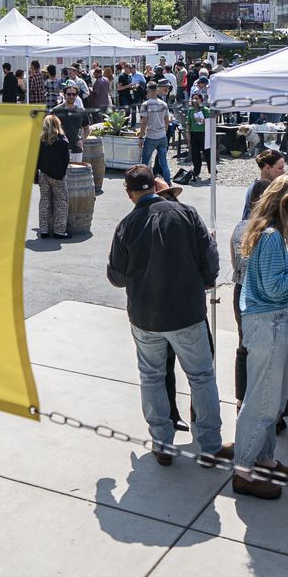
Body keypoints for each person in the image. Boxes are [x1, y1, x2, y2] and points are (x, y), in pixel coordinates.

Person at [106, 166, 223, 464]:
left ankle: (162, 443)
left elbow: (117, 277)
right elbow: (210, 257)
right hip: (187, 312)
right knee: (201, 377)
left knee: (152, 377)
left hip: (146, 316)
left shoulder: (127, 225)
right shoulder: (187, 213)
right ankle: (209, 445)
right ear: (155, 187)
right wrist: (205, 280)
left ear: (129, 193)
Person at [232, 176, 288, 498]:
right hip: (268, 324)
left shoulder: (270, 233)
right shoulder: (270, 236)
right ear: (286, 204)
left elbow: (280, 279)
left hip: (273, 322)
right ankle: (243, 471)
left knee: (274, 397)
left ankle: (263, 458)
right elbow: (274, 286)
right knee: (262, 401)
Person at [34, 113, 71, 239]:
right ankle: (59, 231)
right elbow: (66, 160)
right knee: (61, 202)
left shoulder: (40, 140)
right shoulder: (63, 141)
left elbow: (36, 159)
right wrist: (61, 173)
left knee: (44, 201)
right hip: (58, 176)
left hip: (44, 174)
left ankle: (44, 230)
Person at [136, 82, 172, 183]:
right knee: (163, 162)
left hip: (151, 136)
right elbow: (167, 121)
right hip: (162, 136)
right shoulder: (163, 104)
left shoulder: (145, 104)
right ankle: (168, 182)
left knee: (145, 162)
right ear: (157, 90)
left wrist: (141, 137)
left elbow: (144, 122)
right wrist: (164, 132)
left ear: (147, 91)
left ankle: (143, 182)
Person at [181, 91, 213, 183]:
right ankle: (196, 170)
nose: (194, 100)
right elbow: (188, 122)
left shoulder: (205, 109)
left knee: (207, 153)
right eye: (193, 98)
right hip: (194, 133)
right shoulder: (191, 110)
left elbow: (210, 121)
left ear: (201, 100)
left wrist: (202, 120)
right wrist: (187, 132)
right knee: (195, 153)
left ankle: (212, 170)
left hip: (204, 133)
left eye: (196, 98)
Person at [51, 84, 91, 154]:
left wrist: (82, 140)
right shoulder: (56, 111)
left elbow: (87, 129)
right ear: (64, 95)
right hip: (59, 149)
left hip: (76, 149)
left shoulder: (81, 111)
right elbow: (48, 128)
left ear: (76, 96)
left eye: (73, 94)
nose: (71, 96)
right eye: (69, 94)